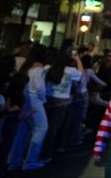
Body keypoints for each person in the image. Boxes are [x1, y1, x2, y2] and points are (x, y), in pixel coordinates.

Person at [8, 43, 48, 171]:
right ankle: (30, 161)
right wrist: (43, 99)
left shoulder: (26, 66)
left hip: (23, 98)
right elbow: (40, 88)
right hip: (34, 99)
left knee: (22, 131)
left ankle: (14, 161)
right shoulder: (39, 68)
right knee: (41, 128)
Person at [42, 51, 83, 157]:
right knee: (54, 127)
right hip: (62, 101)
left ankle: (39, 151)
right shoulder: (70, 70)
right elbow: (81, 74)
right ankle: (46, 153)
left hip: (48, 98)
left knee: (43, 125)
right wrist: (78, 59)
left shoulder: (48, 68)